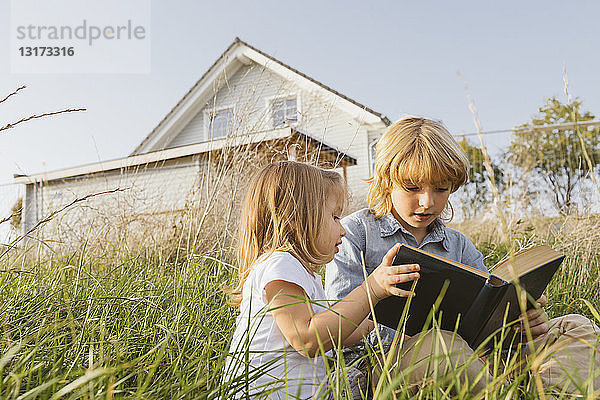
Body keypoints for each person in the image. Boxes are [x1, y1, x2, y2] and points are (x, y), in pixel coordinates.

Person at [325, 117, 600, 397]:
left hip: (475, 360)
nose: (427, 202)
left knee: (576, 326)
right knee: (440, 343)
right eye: (412, 188)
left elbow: (485, 322)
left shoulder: (459, 245)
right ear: (386, 181)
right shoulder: (353, 233)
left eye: (441, 189)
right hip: (389, 368)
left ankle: (550, 393)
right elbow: (337, 335)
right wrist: (406, 334)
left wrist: (517, 324)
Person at [224, 161, 421, 399]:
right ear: (297, 218)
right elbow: (307, 339)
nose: (343, 229)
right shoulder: (280, 265)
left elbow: (338, 333)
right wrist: (372, 288)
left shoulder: (303, 273)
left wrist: (383, 330)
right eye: (335, 217)